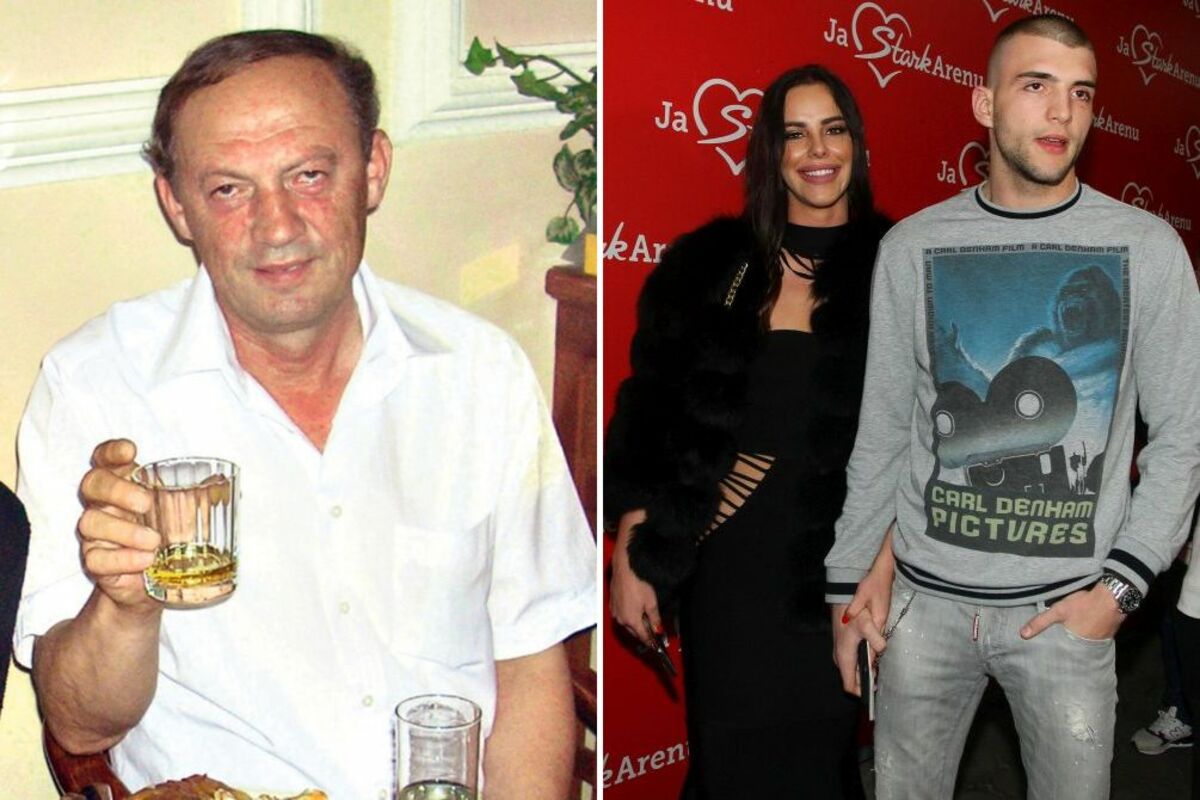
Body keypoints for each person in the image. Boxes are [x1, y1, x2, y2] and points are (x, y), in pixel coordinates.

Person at [13, 30, 595, 798]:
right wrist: (126, 606)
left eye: (309, 175)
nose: (278, 226)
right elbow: (80, 728)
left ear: (374, 169)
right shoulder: (96, 385)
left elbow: (530, 665)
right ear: (176, 205)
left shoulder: (480, 374)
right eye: (229, 189)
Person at [827, 14, 1200, 800]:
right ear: (985, 103)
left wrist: (1118, 592)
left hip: (1068, 616)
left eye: (1081, 93)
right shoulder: (912, 248)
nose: (1062, 111)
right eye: (1036, 86)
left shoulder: (1148, 248)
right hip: (922, 609)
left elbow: (1183, 435)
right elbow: (886, 429)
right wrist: (850, 578)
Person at [606, 64, 890, 799]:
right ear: (771, 152)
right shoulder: (710, 265)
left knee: (821, 767)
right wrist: (635, 549)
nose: (816, 150)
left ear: (856, 145)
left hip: (841, 573)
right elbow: (651, 412)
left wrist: (882, 571)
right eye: (794, 134)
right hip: (727, 571)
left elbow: (922, 438)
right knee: (728, 766)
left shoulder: (898, 263)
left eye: (832, 129)